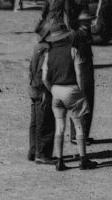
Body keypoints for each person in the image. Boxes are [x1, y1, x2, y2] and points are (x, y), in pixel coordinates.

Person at [41, 23, 97, 171]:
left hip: (56, 91)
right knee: (78, 125)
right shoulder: (73, 51)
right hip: (71, 89)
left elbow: (45, 78)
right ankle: (83, 159)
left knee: (60, 127)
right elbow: (80, 74)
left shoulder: (49, 54)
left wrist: (52, 89)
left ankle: (59, 161)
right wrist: (81, 92)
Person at [27, 32, 56, 164]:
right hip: (41, 90)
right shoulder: (48, 50)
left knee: (34, 122)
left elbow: (30, 69)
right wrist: (45, 91)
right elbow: (42, 72)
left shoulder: (38, 46)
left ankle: (33, 151)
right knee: (45, 121)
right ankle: (42, 154)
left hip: (33, 88)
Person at [69, 9, 95, 146]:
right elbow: (72, 54)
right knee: (81, 104)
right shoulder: (76, 35)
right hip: (80, 72)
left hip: (87, 71)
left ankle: (84, 134)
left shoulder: (86, 34)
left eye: (89, 20)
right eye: (86, 21)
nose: (88, 23)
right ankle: (76, 136)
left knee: (89, 103)